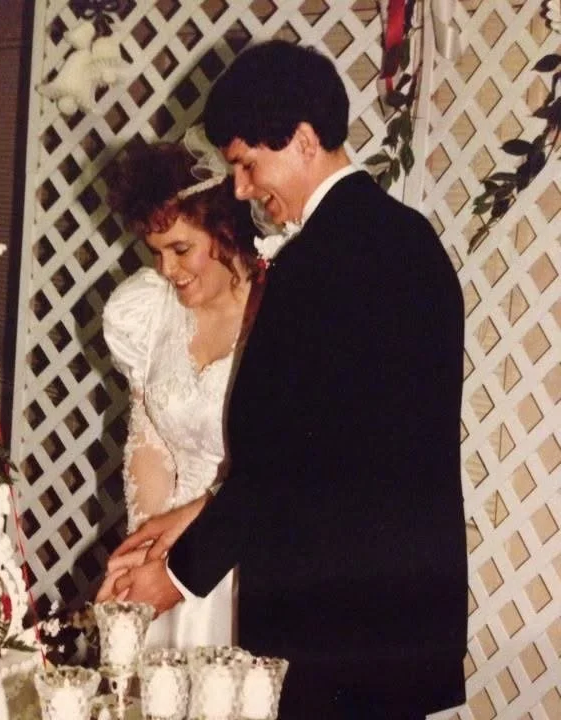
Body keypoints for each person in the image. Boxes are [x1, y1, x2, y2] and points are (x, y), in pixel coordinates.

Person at [105, 40, 468, 719]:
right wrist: (195, 512)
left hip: (329, 631)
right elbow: (340, 448)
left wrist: (177, 579)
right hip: (405, 630)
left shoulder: (314, 267)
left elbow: (283, 467)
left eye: (247, 163)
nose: (242, 188)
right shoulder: (414, 242)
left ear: (303, 140)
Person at [96, 140, 260, 650]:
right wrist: (149, 550)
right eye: (156, 252)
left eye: (181, 249)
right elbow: (150, 447)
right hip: (168, 557)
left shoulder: (280, 313)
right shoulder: (146, 314)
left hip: (252, 562)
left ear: (225, 232)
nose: (167, 270)